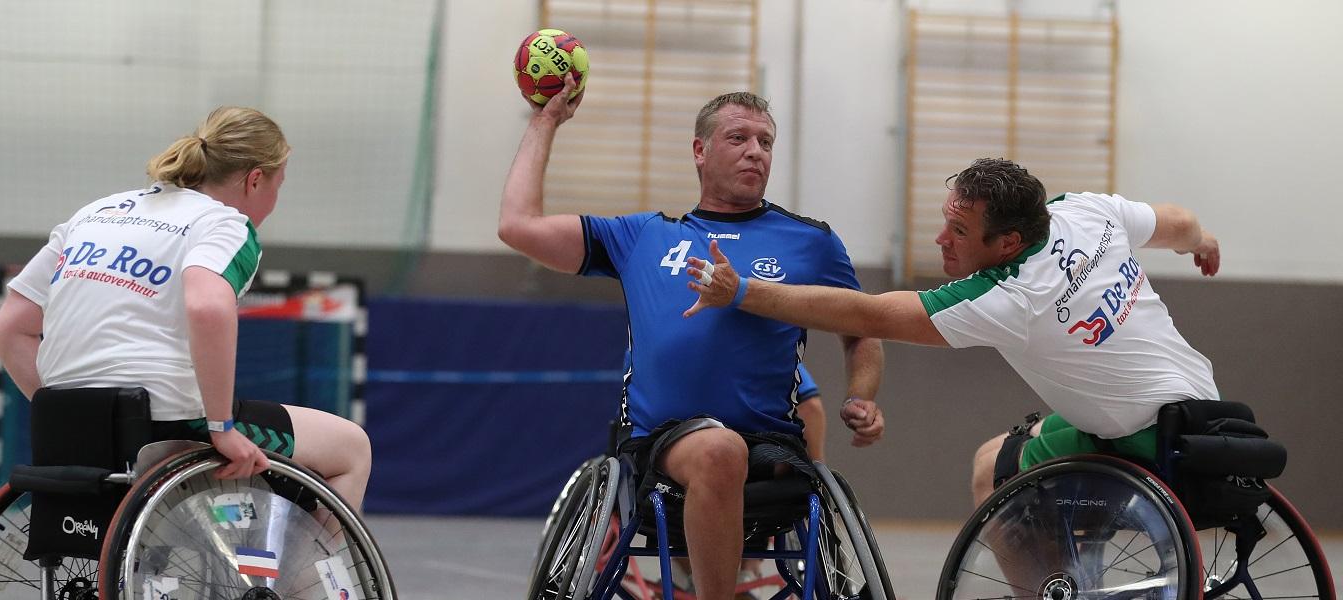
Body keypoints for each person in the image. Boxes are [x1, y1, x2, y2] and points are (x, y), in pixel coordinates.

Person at [499, 76, 885, 600]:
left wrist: (862, 393)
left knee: (730, 449)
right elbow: (518, 226)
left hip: (770, 445)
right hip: (660, 445)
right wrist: (545, 121)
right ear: (700, 151)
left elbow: (864, 326)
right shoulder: (642, 236)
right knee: (718, 449)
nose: (755, 152)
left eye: (765, 142)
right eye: (738, 138)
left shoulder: (811, 242)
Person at [683, 156, 1220, 504]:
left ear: (1008, 242)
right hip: (1202, 406)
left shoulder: (1010, 297)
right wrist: (1201, 241)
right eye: (945, 219)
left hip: (1140, 440)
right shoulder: (1085, 212)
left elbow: (867, 314)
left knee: (991, 472)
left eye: (959, 230)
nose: (942, 239)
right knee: (1009, 447)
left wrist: (742, 292)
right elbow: (1177, 221)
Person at [0, 106, 373, 511]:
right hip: (164, 423)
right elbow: (207, 307)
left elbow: (6, 331)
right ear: (256, 179)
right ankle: (311, 577)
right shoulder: (226, 224)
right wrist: (221, 427)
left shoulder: (94, 213)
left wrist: (71, 418)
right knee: (351, 449)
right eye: (279, 185)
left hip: (69, 422)